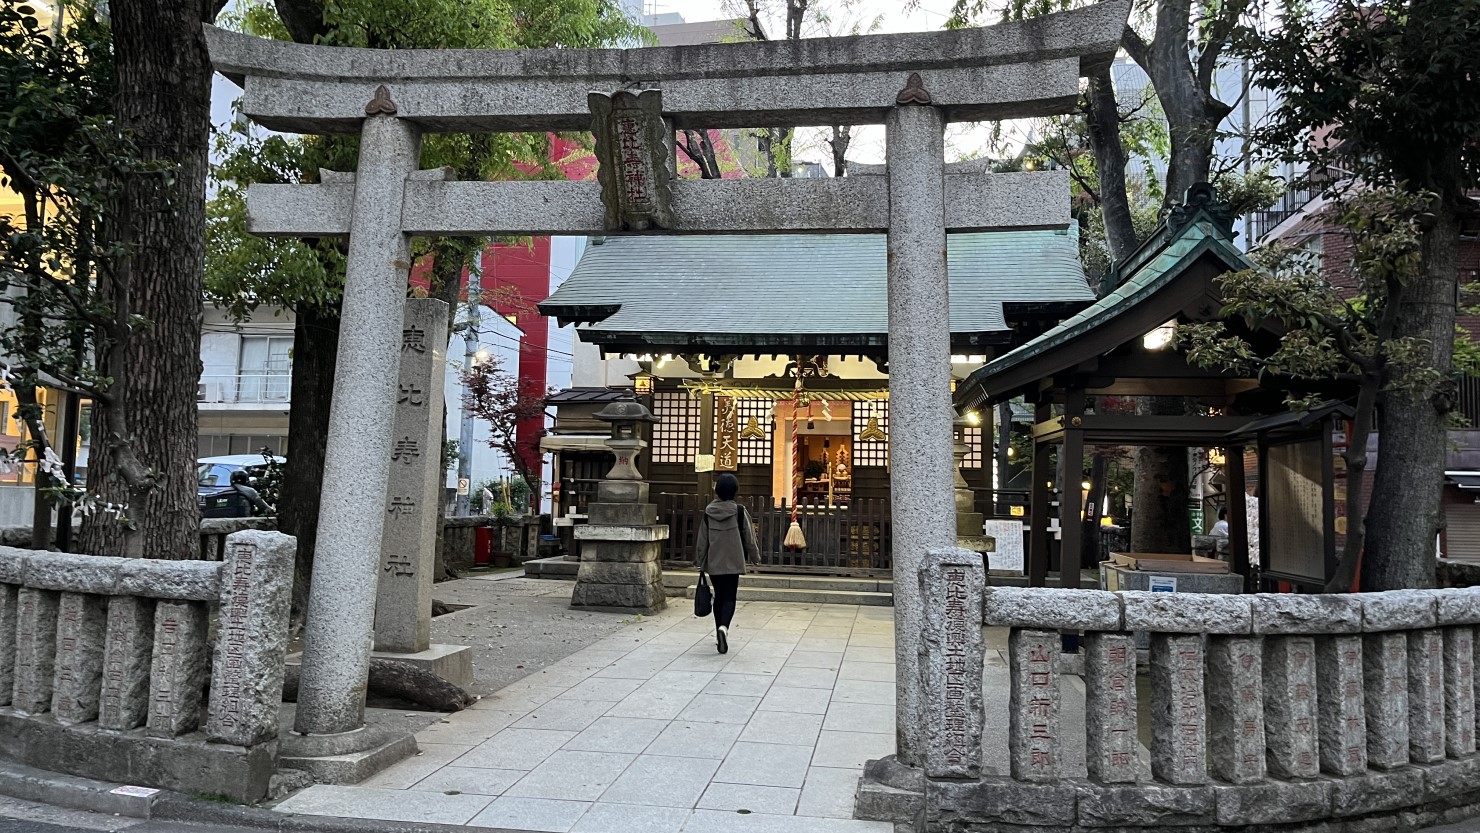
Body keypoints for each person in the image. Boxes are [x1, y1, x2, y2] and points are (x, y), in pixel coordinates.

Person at [694, 473, 759, 654]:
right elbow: (749, 537)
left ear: (717, 490)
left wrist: (699, 560)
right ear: (735, 491)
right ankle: (724, 628)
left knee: (719, 596)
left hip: (714, 562)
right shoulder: (738, 511)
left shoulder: (708, 512)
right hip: (734, 561)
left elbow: (702, 540)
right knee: (730, 597)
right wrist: (755, 556)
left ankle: (718, 632)